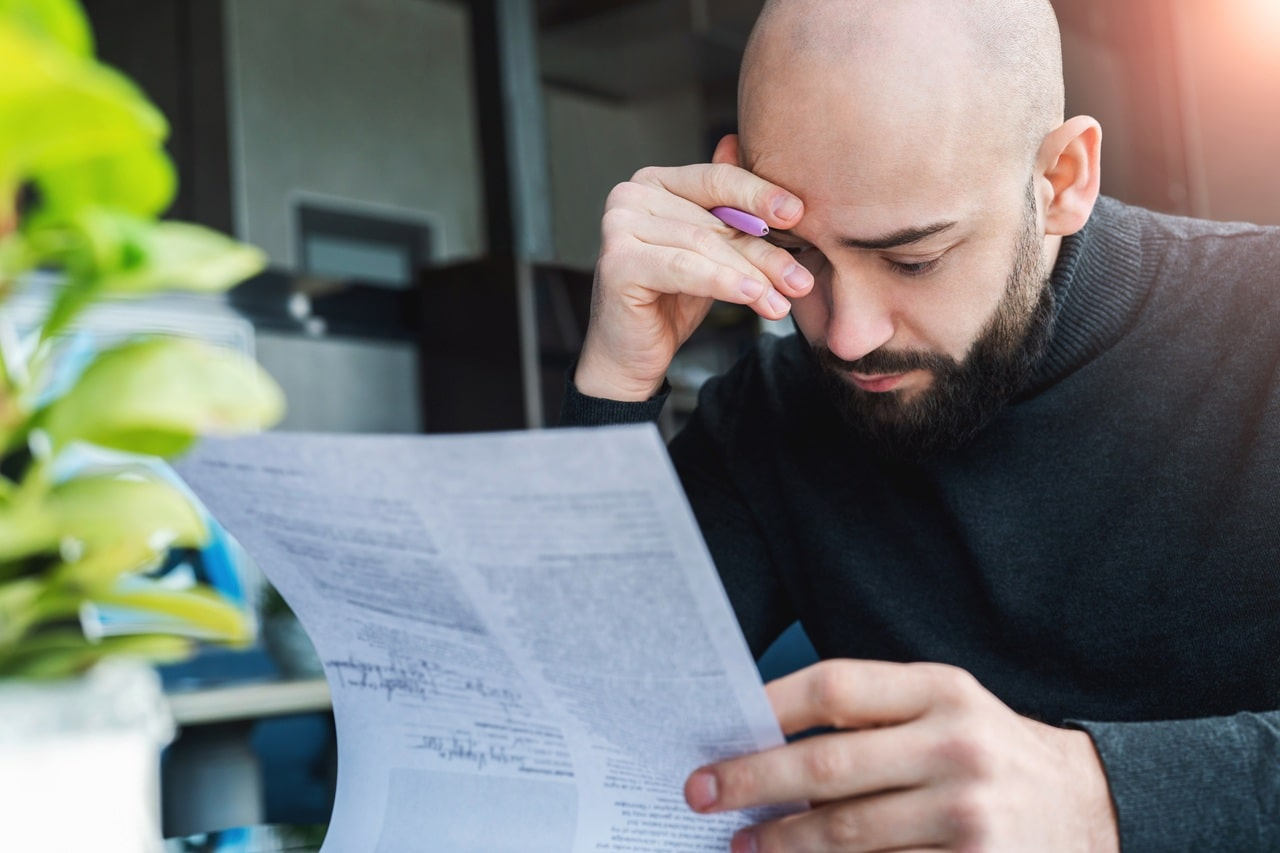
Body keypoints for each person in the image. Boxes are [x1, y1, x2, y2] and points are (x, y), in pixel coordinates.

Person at [560, 0, 1280, 850]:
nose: (846, 334)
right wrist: (615, 385)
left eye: (913, 259)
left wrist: (1103, 796)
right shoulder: (769, 415)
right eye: (806, 258)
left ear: (1061, 180)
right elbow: (581, 716)